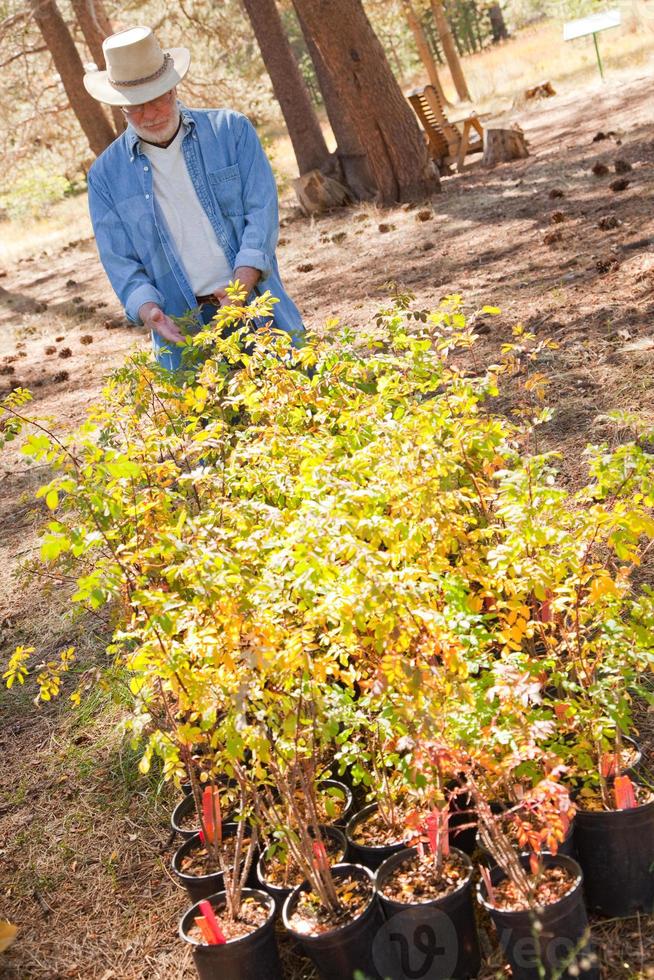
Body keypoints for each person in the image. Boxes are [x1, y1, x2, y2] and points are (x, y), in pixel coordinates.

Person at [84, 26, 305, 370]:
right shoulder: (104, 176)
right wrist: (147, 310)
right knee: (207, 423)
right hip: (182, 332)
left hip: (258, 308)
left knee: (301, 407)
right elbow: (120, 261)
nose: (150, 115)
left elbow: (261, 212)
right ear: (120, 106)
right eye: (135, 107)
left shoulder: (231, 130)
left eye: (156, 98)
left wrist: (242, 284)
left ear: (172, 86)